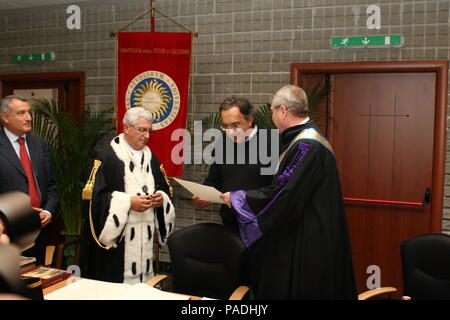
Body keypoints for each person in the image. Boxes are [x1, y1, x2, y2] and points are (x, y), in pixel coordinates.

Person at [221, 85, 357, 299]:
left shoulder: (307, 146)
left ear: (283, 110)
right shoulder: (301, 140)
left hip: (308, 238)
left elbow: (283, 194)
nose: (272, 114)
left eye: (274, 110)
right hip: (306, 228)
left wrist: (238, 198)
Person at [79, 107, 175, 284]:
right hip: (116, 248)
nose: (146, 135)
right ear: (126, 128)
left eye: (149, 131)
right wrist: (128, 202)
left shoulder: (151, 157)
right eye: (142, 130)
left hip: (144, 244)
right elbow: (94, 201)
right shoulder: (106, 157)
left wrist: (161, 198)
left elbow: (163, 187)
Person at [193, 96, 274, 234]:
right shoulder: (223, 143)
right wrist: (204, 194)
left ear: (250, 120)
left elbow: (276, 190)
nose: (230, 131)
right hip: (230, 225)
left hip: (262, 227)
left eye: (235, 125)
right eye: (225, 126)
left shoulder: (272, 143)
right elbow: (214, 179)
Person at [0, 95, 58, 265]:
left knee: (36, 283)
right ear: (5, 118)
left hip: (38, 229)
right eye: (21, 113)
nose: (29, 118)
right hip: (7, 230)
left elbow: (52, 186)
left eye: (29, 112)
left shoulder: (40, 145)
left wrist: (48, 211)